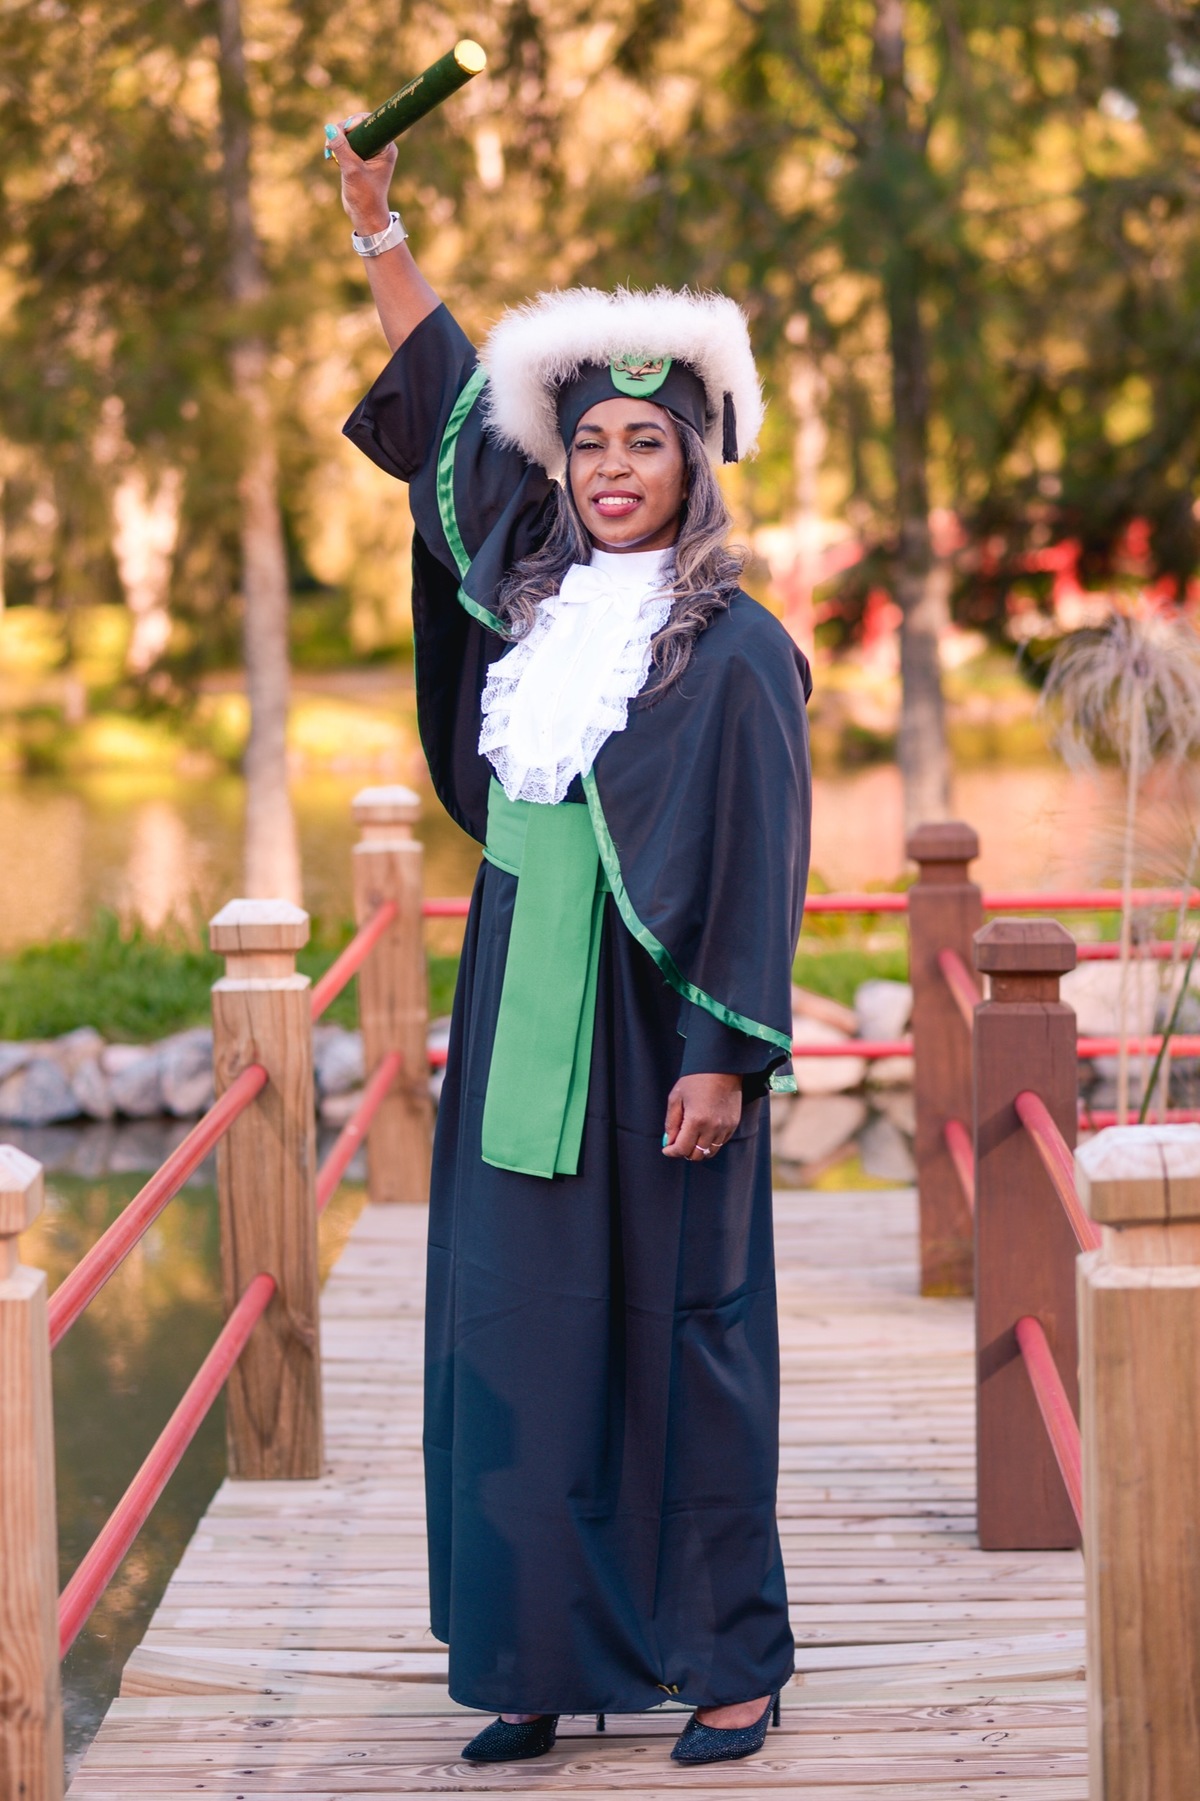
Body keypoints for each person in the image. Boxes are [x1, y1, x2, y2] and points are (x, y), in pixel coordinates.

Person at [328, 113, 812, 1768]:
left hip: (657, 1033)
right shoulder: (535, 600)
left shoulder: (736, 651)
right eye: (591, 441)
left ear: (695, 464)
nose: (613, 467)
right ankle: (531, 1655)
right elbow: (451, 412)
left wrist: (723, 1057)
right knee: (518, 1328)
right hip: (517, 1013)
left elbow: (759, 863)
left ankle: (726, 1662)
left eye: (645, 445)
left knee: (682, 1336)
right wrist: (380, 234)